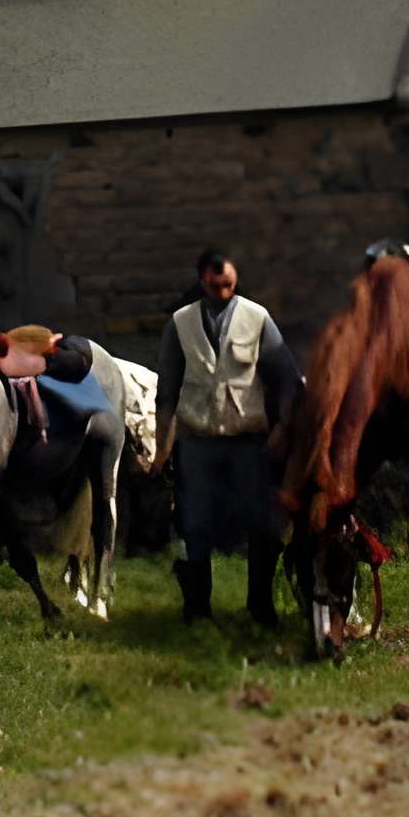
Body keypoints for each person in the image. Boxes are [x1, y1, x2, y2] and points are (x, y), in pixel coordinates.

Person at [149, 247, 301, 626]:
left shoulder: (257, 318)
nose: (222, 293)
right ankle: (198, 608)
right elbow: (166, 391)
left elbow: (286, 378)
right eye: (215, 286)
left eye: (228, 285)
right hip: (197, 442)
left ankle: (260, 606)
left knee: (265, 527)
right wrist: (161, 450)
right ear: (203, 280)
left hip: (248, 442)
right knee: (194, 527)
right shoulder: (180, 323)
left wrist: (282, 428)